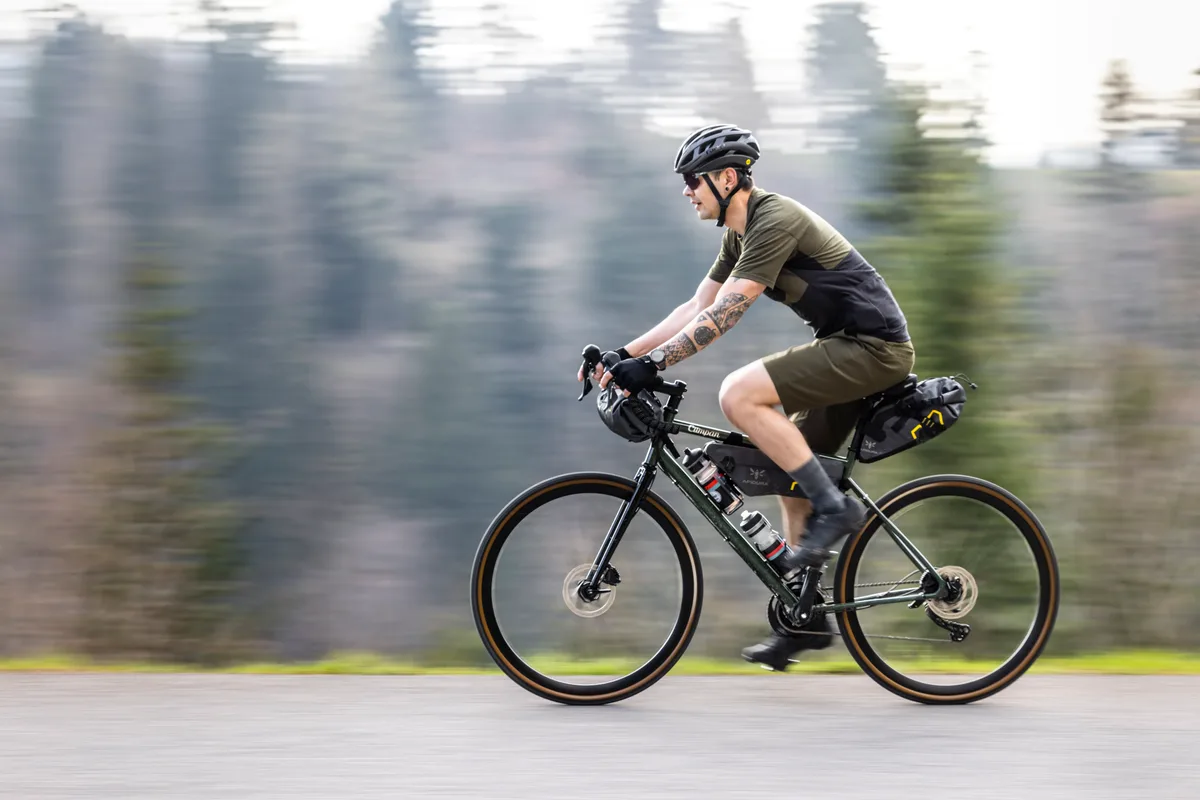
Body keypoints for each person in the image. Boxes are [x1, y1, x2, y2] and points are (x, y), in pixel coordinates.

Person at [579, 123, 916, 671]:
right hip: (847, 347)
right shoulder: (737, 232)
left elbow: (725, 315)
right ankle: (807, 619)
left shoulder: (772, 220)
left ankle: (837, 510)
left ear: (727, 177)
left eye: (693, 180)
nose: (687, 190)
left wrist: (654, 366)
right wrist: (623, 355)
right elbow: (695, 306)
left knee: (739, 393)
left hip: (872, 350)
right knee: (792, 478)